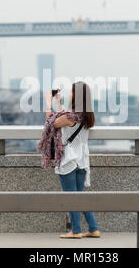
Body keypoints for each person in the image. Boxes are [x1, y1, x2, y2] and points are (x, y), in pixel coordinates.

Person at [44, 81, 101, 239]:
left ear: (77, 96)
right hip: (82, 158)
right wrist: (58, 102)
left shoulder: (71, 116)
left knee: (71, 197)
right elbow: (63, 119)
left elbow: (51, 123)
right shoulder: (86, 115)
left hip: (69, 158)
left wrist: (48, 104)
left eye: (71, 92)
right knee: (79, 196)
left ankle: (75, 231)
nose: (69, 94)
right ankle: (93, 228)